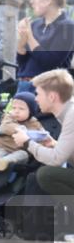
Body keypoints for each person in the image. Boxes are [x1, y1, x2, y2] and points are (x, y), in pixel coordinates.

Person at [17, 69, 74, 197]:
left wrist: (27, 143)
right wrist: (54, 144)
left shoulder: (71, 115)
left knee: (46, 174)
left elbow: (56, 160)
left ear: (52, 97)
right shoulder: (69, 111)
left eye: (38, 94)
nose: (35, 99)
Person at [17, 0, 74, 93]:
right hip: (24, 85)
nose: (31, 1)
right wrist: (22, 41)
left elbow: (50, 62)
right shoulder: (35, 24)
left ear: (48, 0)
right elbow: (22, 62)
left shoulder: (67, 27)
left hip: (48, 89)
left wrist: (30, 37)